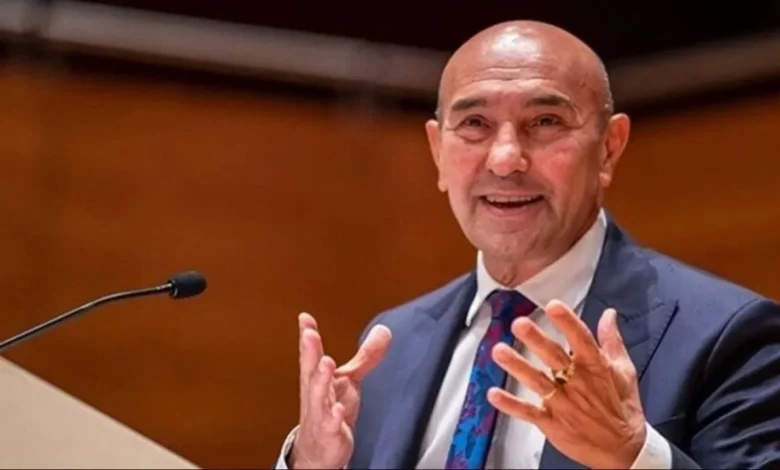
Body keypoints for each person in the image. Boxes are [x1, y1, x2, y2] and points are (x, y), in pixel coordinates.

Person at [275, 20, 780, 469]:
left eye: (545, 122)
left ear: (609, 148)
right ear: (437, 151)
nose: (505, 158)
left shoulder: (729, 337)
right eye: (474, 124)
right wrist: (311, 464)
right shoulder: (393, 343)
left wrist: (633, 457)